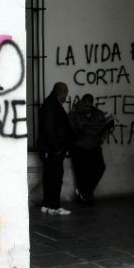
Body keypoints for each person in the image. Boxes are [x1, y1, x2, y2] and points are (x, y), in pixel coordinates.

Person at [69, 94, 114, 205]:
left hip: (94, 146)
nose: (87, 108)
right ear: (82, 103)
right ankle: (85, 196)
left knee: (100, 168)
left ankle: (85, 193)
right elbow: (72, 129)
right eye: (85, 105)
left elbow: (103, 129)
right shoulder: (75, 113)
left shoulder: (97, 114)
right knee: (82, 173)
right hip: (80, 148)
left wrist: (103, 132)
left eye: (90, 106)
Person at [37, 82, 74, 215]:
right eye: (66, 92)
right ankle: (54, 206)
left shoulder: (51, 104)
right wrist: (57, 147)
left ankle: (47, 205)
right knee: (55, 177)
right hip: (52, 150)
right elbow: (49, 129)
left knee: (49, 177)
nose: (67, 94)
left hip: (49, 149)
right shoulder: (52, 106)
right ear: (61, 92)